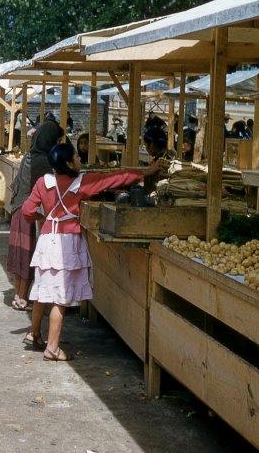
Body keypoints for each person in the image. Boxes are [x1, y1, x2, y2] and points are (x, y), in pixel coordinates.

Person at [22, 143, 162, 360]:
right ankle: (52, 347)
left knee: (42, 289)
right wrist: (147, 172)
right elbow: (116, 178)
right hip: (66, 244)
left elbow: (27, 211)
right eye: (76, 157)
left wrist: (42, 219)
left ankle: (34, 334)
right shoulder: (82, 183)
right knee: (60, 297)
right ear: (68, 163)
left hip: (46, 241)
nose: (80, 160)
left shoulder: (43, 182)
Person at [8, 122, 65, 313]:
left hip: (19, 210)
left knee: (20, 255)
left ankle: (18, 295)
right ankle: (23, 297)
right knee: (29, 255)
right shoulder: (44, 161)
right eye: (56, 140)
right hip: (31, 213)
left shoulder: (30, 155)